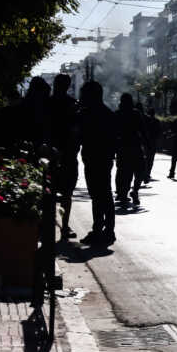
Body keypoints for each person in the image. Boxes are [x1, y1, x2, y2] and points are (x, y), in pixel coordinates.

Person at [78, 81, 118, 245]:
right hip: (104, 158)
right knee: (105, 194)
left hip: (94, 159)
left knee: (98, 196)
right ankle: (108, 230)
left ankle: (99, 230)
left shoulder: (88, 114)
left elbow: (81, 135)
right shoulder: (108, 113)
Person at [49, 74, 80, 241]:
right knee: (66, 194)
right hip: (67, 155)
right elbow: (77, 132)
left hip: (51, 154)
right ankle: (64, 226)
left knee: (50, 193)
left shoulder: (47, 104)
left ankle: (49, 225)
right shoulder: (72, 105)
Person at [114, 94, 145, 209]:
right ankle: (132, 191)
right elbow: (143, 130)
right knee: (138, 171)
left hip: (123, 147)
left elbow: (112, 133)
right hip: (133, 146)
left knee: (124, 172)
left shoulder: (118, 114)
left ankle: (123, 192)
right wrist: (147, 145)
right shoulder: (135, 113)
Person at [141, 103, 161, 183]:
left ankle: (145, 173)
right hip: (152, 142)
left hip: (146, 142)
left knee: (146, 159)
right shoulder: (156, 121)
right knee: (150, 159)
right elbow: (159, 132)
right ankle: (147, 173)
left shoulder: (145, 120)